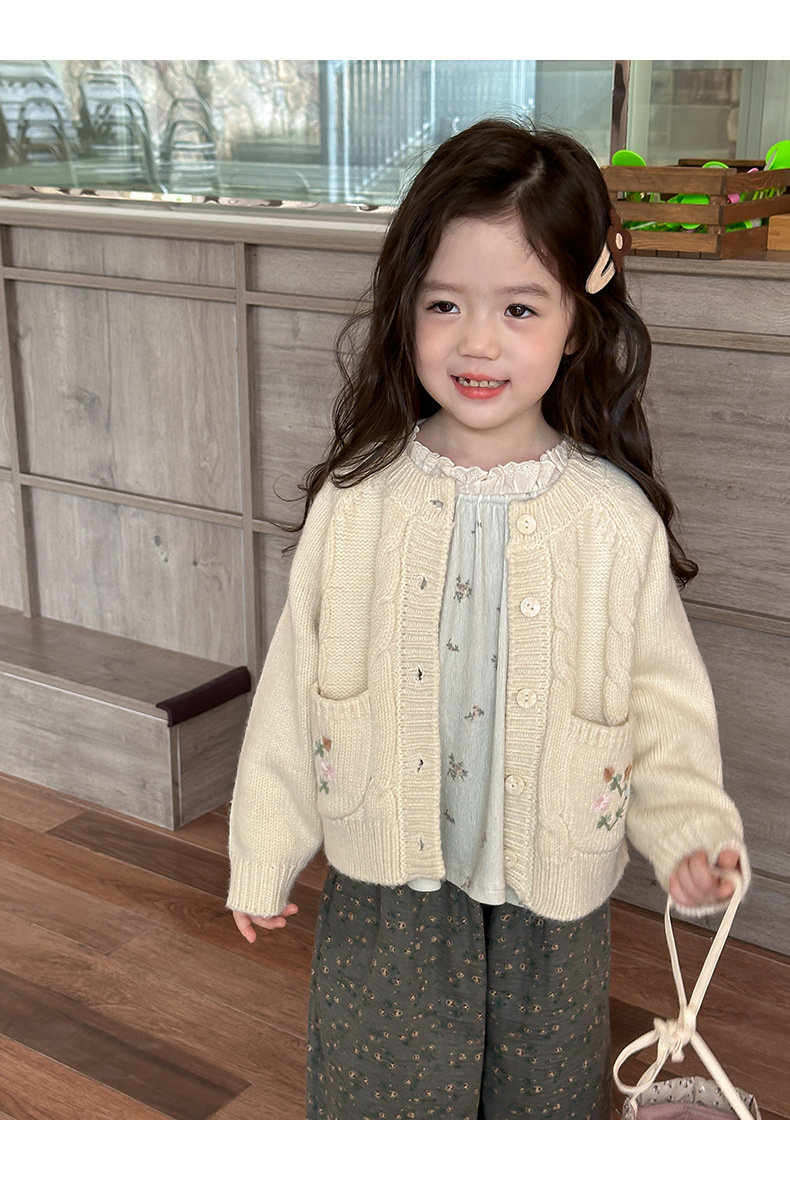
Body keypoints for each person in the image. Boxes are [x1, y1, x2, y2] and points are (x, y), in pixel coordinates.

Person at [227, 118, 749, 1120]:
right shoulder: (356, 501)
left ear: (577, 321)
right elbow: (294, 691)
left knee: (539, 1113)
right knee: (381, 1109)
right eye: (444, 304)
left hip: (553, 900)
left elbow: (663, 710)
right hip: (386, 887)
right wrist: (265, 849)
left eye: (518, 307)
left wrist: (691, 833)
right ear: (405, 310)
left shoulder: (613, 522)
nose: (476, 341)